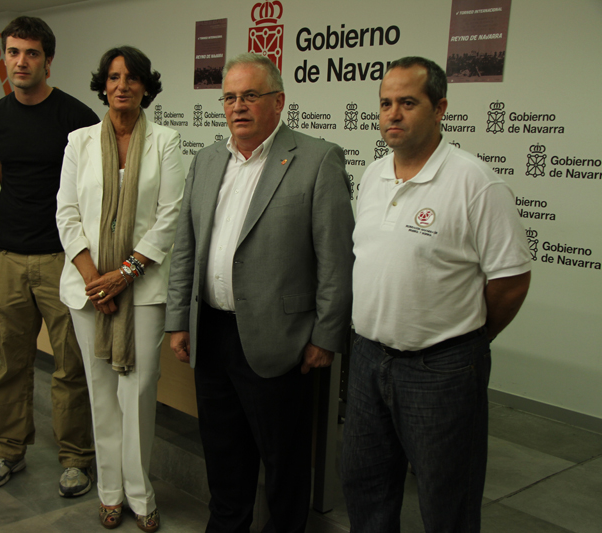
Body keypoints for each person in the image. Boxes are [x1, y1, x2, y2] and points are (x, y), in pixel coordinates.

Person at [165, 53, 354, 533]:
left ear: (278, 102)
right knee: (223, 450)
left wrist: (327, 335)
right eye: (230, 96)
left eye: (250, 95)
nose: (238, 106)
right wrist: (177, 320)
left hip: (282, 337)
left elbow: (335, 259)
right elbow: (186, 246)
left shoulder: (317, 158)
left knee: (285, 459)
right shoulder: (208, 160)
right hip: (212, 332)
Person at [341, 56, 532, 532]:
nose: (393, 114)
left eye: (408, 102)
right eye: (386, 103)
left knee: (446, 500)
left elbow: (510, 281)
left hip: (440, 370)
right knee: (366, 488)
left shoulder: (475, 183)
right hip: (367, 359)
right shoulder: (372, 175)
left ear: (440, 108)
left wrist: (467, 339)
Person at [56, 46, 184, 532]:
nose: (122, 85)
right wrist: (96, 280)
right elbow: (66, 215)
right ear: (103, 85)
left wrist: (125, 272)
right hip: (89, 289)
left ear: (145, 86)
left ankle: (140, 493)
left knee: (138, 391)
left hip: (144, 286)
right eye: (113, 77)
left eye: (132, 78)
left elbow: (169, 215)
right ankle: (110, 492)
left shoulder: (166, 141)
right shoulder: (79, 142)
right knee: (101, 392)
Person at [0, 16, 99, 494]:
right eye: (13, 52)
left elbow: (91, 190)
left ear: (49, 60)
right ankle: (8, 450)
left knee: (70, 364)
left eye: (31, 53)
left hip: (63, 259)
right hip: (7, 254)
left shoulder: (77, 117)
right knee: (10, 360)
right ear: (3, 58)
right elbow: (3, 174)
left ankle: (75, 458)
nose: (21, 62)